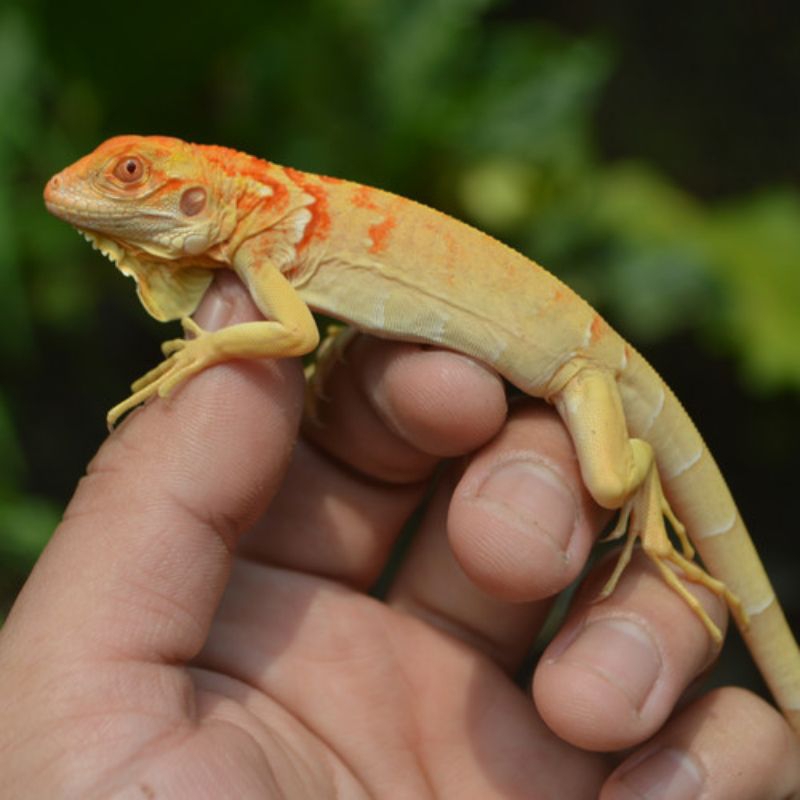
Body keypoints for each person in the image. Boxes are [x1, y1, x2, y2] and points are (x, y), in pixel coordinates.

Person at [0, 274, 797, 799]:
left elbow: (293, 336)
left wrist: (210, 344)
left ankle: (647, 501)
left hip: (583, 367)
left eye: (132, 178)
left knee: (612, 480)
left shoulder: (275, 240)